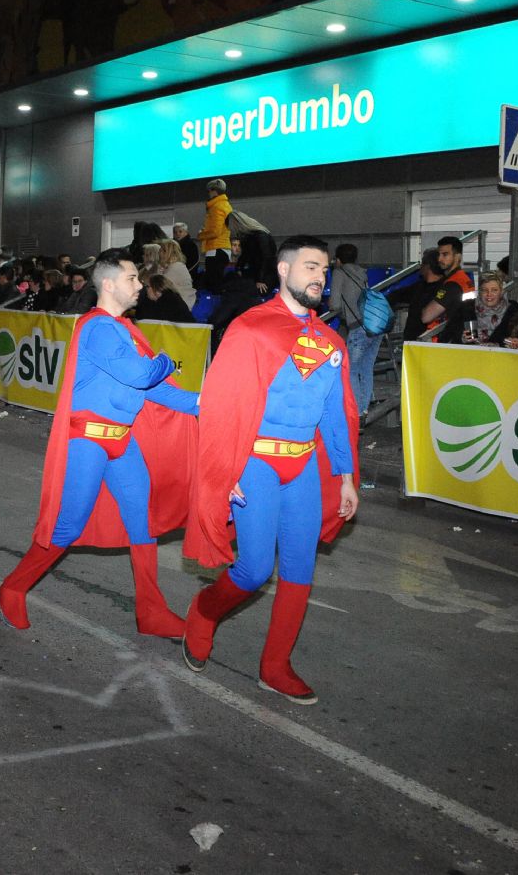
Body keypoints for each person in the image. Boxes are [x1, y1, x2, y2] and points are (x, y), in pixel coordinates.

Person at [182, 235, 359, 704]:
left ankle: (275, 666)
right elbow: (222, 404)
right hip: (255, 462)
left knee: (300, 569)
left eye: (324, 269)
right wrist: (227, 465)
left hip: (301, 464)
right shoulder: (252, 329)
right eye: (309, 267)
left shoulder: (330, 341)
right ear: (283, 271)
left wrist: (344, 476)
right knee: (255, 568)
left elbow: (335, 413)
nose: (319, 277)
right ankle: (204, 611)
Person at [0, 249, 199, 637]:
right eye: (131, 279)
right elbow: (142, 373)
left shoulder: (121, 329)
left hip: (121, 443)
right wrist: (167, 360)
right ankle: (14, 587)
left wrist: (201, 403)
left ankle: (151, 612)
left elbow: (152, 389)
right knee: (68, 527)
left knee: (143, 524)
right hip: (87, 442)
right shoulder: (98, 328)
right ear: (108, 284)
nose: (139, 285)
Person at [328, 244, 380, 419]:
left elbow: (334, 304)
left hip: (358, 328)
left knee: (352, 370)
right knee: (366, 368)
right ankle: (364, 409)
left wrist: (342, 311)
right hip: (374, 326)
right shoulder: (361, 272)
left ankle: (356, 413)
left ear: (338, 260)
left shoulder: (339, 273)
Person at [392, 251, 462, 343]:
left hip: (432, 344)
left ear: (427, 266)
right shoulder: (419, 287)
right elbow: (396, 295)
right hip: (412, 344)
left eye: (422, 264)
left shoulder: (448, 289)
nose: (420, 267)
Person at [462, 270, 518, 346]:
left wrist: (505, 344)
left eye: (494, 290)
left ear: (501, 291)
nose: (489, 294)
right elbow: (451, 335)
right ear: (479, 292)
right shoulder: (466, 309)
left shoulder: (516, 312)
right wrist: (463, 339)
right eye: (485, 290)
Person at [196, 179, 234, 292]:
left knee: (214, 284)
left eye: (209, 191)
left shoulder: (216, 207)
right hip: (222, 248)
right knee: (217, 282)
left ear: (214, 191)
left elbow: (215, 231)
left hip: (215, 249)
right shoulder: (225, 205)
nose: (208, 193)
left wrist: (201, 235)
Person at [155, 239, 197, 309]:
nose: (159, 252)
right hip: (179, 301)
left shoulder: (176, 267)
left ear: (168, 253)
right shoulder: (170, 265)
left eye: (162, 250)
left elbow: (158, 285)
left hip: (183, 303)